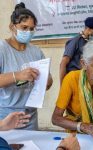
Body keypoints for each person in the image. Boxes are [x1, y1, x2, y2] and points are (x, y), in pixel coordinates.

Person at [0, 2, 53, 130]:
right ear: (12, 27)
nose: (28, 32)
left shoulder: (36, 51)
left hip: (30, 117)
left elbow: (49, 82)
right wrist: (18, 75)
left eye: (31, 29)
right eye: (24, 28)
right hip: (6, 118)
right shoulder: (2, 49)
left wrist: (46, 81)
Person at [59, 17, 93, 85]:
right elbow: (63, 63)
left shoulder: (90, 43)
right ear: (88, 29)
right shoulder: (75, 41)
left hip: (85, 81)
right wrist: (62, 84)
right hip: (74, 80)